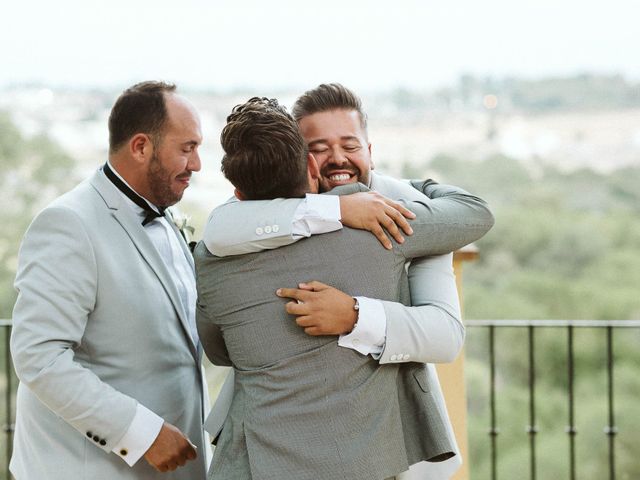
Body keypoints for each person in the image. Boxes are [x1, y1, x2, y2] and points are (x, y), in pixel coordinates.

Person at [204, 84, 494, 479]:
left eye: (350, 145)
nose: (337, 158)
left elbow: (445, 336)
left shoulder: (392, 217)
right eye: (319, 147)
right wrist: (338, 206)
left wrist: (356, 316)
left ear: (370, 151)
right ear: (300, 159)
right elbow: (221, 228)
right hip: (268, 448)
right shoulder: (240, 225)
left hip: (380, 446)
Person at [10, 81, 208, 479]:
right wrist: (142, 433)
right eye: (186, 149)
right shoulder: (68, 223)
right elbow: (39, 356)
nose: (198, 164)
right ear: (140, 147)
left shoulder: (164, 214)